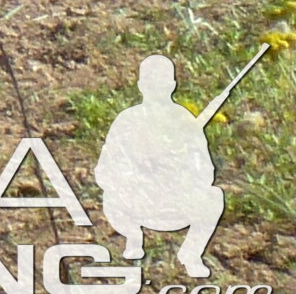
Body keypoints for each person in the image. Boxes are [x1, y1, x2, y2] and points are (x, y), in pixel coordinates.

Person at [94, 56, 225, 280]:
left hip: (175, 202)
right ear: (141, 86)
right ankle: (133, 237)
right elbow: (105, 169)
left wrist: (178, 173)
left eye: (162, 83)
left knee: (214, 197)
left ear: (172, 85)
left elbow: (205, 170)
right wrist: (137, 176)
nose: (157, 89)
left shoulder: (184, 120)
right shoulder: (127, 120)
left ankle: (191, 254)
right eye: (151, 84)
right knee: (110, 197)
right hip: (136, 202)